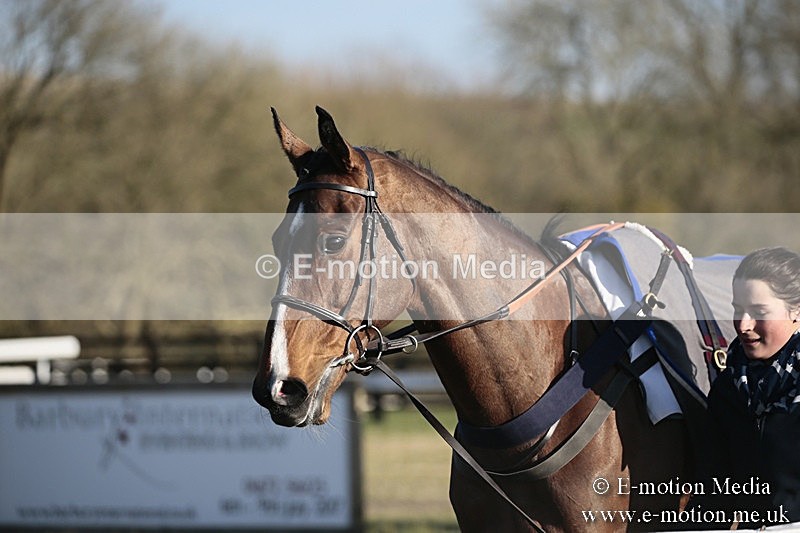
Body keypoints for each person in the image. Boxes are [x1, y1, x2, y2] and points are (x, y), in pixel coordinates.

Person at [699, 247, 800, 528]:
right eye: (737, 310)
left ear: (796, 311)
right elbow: (714, 494)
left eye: (759, 312)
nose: (743, 324)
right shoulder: (729, 385)